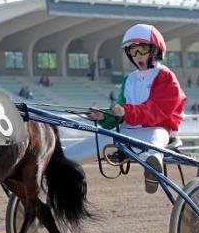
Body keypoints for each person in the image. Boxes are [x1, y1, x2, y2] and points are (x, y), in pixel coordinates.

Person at [65, 23, 187, 194]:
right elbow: (119, 112)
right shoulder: (129, 79)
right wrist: (103, 116)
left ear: (154, 50)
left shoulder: (166, 76)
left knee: (153, 143)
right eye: (132, 51)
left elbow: (157, 110)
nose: (137, 55)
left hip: (157, 128)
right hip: (126, 132)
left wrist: (126, 111)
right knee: (97, 141)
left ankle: (153, 166)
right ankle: (59, 159)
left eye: (142, 49)